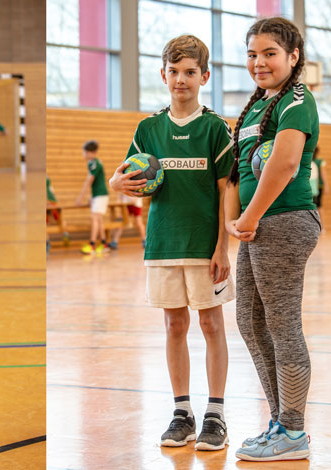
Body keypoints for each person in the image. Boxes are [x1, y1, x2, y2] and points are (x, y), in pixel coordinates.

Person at [109, 34, 234, 451]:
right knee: (174, 325)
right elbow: (123, 175)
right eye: (174, 72)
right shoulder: (148, 128)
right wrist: (116, 182)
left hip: (204, 246)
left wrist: (223, 247)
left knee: (211, 324)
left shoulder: (216, 128)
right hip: (162, 244)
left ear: (205, 76)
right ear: (163, 75)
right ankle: (182, 412)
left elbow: (226, 191)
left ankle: (215, 413)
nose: (181, 79)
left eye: (190, 72)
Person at [223, 17, 320, 462]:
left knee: (281, 324)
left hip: (282, 220)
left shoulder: (297, 99)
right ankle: (280, 421)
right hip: (258, 223)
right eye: (252, 54)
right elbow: (239, 171)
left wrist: (250, 216)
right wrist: (237, 220)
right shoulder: (258, 106)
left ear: (293, 57)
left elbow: (283, 166)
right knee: (250, 320)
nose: (259, 62)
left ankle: (293, 431)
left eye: (269, 54)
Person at [75, 140, 110, 254]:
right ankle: (104, 244)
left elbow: (89, 180)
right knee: (99, 219)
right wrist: (91, 196)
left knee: (94, 218)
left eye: (84, 152)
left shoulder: (94, 163)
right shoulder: (94, 163)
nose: (83, 155)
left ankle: (92, 244)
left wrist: (80, 197)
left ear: (90, 152)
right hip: (98, 195)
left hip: (101, 195)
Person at [310, 146, 328, 229]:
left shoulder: (316, 162)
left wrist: (326, 186)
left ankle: (321, 226)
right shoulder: (315, 162)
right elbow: (323, 174)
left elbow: (323, 174)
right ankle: (321, 226)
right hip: (316, 187)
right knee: (318, 207)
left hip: (316, 187)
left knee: (318, 207)